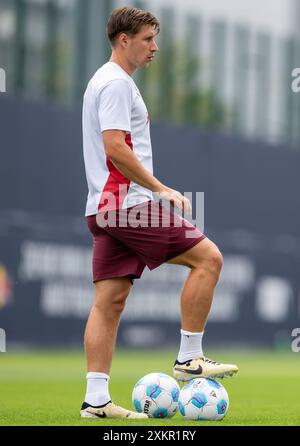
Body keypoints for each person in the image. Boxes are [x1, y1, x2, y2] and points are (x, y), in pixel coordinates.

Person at [80, 6, 238, 420]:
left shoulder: (106, 81)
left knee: (108, 302)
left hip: (103, 208)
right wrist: (160, 188)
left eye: (155, 38)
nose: (155, 47)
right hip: (128, 206)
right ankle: (190, 356)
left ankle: (95, 400)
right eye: (148, 39)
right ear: (124, 40)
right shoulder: (115, 83)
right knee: (208, 258)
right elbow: (115, 147)